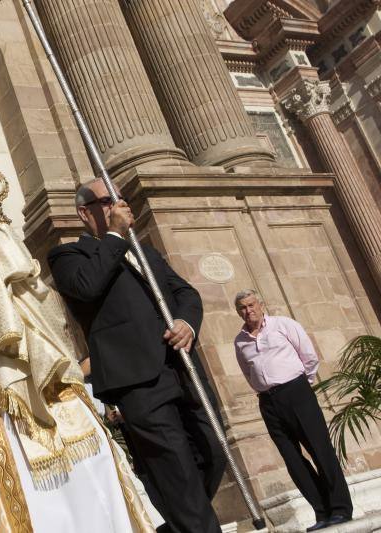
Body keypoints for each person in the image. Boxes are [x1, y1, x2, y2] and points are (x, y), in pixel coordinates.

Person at [0, 173, 154, 533]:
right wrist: (0, 250)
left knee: (94, 462)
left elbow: (45, 307)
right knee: (31, 494)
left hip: (46, 379)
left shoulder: (2, 248)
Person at [48, 178, 226, 533]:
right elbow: (86, 287)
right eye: (108, 200)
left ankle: (176, 526)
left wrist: (187, 324)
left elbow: (185, 293)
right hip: (137, 380)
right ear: (85, 212)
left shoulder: (146, 252)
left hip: (181, 366)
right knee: (176, 468)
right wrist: (114, 236)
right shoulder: (68, 256)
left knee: (213, 451)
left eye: (121, 198)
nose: (120, 205)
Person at [233, 289, 352, 531]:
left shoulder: (283, 325)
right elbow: (248, 372)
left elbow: (309, 357)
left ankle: (341, 508)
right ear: (238, 312)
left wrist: (300, 387)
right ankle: (322, 511)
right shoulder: (240, 341)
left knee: (320, 450)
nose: (249, 310)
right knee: (293, 460)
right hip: (268, 401)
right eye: (243, 308)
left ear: (261, 305)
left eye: (252, 304)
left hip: (297, 392)